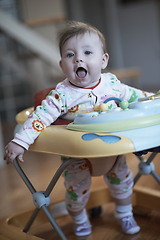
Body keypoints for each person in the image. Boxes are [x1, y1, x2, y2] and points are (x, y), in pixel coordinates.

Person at [4, 21, 153, 237]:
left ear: (103, 60)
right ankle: (80, 219)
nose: (79, 59)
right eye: (70, 55)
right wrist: (21, 140)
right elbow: (41, 117)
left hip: (112, 149)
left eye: (87, 52)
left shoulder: (112, 84)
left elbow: (136, 95)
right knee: (76, 195)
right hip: (77, 156)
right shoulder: (61, 95)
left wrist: (152, 100)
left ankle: (124, 213)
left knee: (123, 184)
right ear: (62, 65)